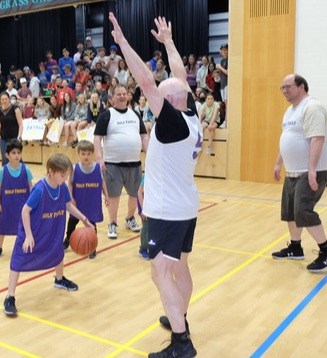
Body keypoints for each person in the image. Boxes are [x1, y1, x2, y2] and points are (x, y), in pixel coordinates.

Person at [110, 13, 201, 357]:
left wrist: (123, 43)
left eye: (160, 101)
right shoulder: (190, 116)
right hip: (186, 206)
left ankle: (181, 343)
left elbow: (147, 82)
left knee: (159, 272)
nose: (153, 107)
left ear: (170, 104)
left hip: (167, 210)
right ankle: (182, 318)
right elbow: (178, 77)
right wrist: (168, 42)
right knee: (180, 268)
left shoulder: (173, 123)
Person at [3, 153, 94, 316]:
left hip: (52, 228)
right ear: (51, 171)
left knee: (57, 252)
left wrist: (84, 219)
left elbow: (68, 205)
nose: (65, 178)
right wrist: (29, 235)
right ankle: (10, 296)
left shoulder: (62, 187)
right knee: (18, 260)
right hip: (34, 230)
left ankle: (59, 280)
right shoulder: (40, 189)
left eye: (67, 175)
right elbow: (25, 211)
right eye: (62, 175)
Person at [271, 74, 327, 272]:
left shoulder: (312, 107)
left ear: (301, 86)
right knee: (290, 212)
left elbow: (317, 138)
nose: (285, 91)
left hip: (311, 171)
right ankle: (295, 247)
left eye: (288, 86)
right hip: (292, 171)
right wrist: (278, 163)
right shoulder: (289, 111)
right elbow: (288, 138)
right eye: (282, 87)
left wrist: (311, 170)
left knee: (303, 211)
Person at [93, 83, 148, 240]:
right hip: (113, 165)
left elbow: (144, 136)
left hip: (134, 163)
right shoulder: (106, 115)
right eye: (119, 94)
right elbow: (97, 138)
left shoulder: (135, 115)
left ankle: (130, 218)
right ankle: (113, 223)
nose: (122, 96)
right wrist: (99, 158)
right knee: (113, 196)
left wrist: (150, 154)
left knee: (133, 194)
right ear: (112, 98)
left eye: (124, 93)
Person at [63, 140, 109, 259]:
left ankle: (92, 247)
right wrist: (71, 197)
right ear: (79, 154)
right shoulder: (74, 168)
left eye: (88, 154)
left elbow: (102, 182)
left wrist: (107, 196)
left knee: (92, 225)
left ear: (92, 154)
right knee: (72, 223)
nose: (86, 156)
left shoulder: (98, 168)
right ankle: (68, 239)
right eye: (83, 154)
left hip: (92, 202)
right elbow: (70, 184)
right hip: (78, 202)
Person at [0, 139, 33, 258]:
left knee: (24, 227)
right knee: (2, 227)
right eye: (13, 153)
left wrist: (33, 204)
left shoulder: (26, 169)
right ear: (7, 155)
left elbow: (31, 187)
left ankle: (25, 246)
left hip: (22, 206)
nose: (17, 155)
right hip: (7, 205)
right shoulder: (3, 171)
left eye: (18, 153)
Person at [0, 92, 23, 166]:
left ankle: (22, 175)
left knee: (17, 158)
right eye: (2, 99)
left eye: (6, 99)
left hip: (14, 138)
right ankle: (5, 176)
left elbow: (21, 124)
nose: (4, 101)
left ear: (8, 99)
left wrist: (19, 136)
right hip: (4, 138)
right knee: (5, 159)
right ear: (0, 100)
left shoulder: (15, 109)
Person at [137, 172, 149, 260]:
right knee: (146, 227)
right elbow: (139, 193)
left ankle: (152, 247)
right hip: (144, 203)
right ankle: (143, 249)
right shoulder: (147, 176)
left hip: (153, 203)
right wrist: (143, 209)